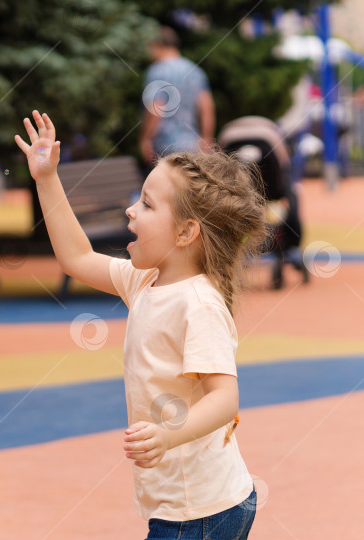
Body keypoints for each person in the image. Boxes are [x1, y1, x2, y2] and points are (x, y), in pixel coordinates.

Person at [16, 111, 260, 538]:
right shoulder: (146, 279)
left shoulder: (198, 303)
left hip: (197, 511)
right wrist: (46, 178)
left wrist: (168, 436)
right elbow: (76, 258)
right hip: (192, 504)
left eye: (147, 204)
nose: (131, 210)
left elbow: (225, 400)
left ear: (186, 233)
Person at [140, 26, 215, 168]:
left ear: (158, 45)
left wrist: (146, 139)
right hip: (192, 145)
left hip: (165, 147)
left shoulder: (157, 71)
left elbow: (156, 107)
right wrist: (206, 138)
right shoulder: (195, 70)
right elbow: (207, 107)